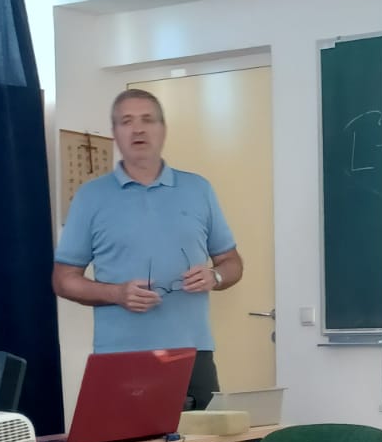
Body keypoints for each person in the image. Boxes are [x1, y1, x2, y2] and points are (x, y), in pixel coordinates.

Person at [53, 88, 243, 411]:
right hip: (120, 359)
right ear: (115, 133)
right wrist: (117, 294)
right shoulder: (91, 197)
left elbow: (232, 262)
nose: (138, 129)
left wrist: (216, 276)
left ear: (163, 129)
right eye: (127, 121)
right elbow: (63, 279)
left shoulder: (199, 189)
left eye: (147, 120)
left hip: (192, 356)